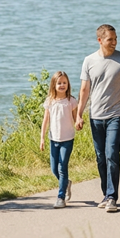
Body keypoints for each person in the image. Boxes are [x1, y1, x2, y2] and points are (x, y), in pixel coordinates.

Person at [75, 24, 120, 213]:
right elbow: (84, 90)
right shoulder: (89, 61)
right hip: (96, 116)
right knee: (101, 158)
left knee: (112, 154)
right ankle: (106, 193)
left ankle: (112, 197)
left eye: (115, 38)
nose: (114, 42)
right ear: (100, 40)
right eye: (110, 39)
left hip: (116, 114)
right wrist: (79, 113)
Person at [39, 71, 79, 208]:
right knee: (54, 169)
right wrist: (42, 138)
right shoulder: (50, 101)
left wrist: (79, 122)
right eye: (59, 83)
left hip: (67, 139)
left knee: (62, 168)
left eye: (64, 83)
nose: (62, 85)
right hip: (53, 139)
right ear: (54, 85)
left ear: (68, 84)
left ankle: (60, 197)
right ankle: (66, 183)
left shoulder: (71, 101)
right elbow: (45, 120)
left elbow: (75, 118)